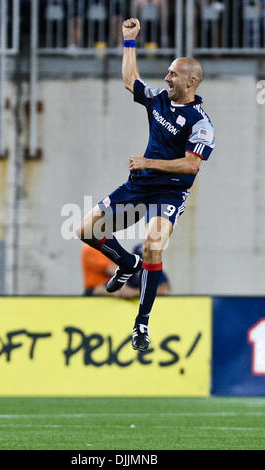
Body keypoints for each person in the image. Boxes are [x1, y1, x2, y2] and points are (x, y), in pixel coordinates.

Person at [76, 18, 215, 352]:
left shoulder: (202, 124)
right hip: (138, 186)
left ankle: (141, 323)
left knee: (153, 244)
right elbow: (130, 80)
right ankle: (127, 263)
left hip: (168, 192)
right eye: (168, 72)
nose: (167, 77)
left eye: (173, 74)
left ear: (191, 81)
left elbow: (192, 164)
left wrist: (149, 161)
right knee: (84, 230)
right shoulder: (159, 99)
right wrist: (128, 41)